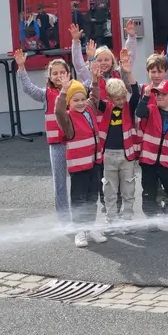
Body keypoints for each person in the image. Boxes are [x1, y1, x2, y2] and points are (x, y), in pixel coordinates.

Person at [17, 51, 74, 223]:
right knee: (60, 184)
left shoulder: (76, 90)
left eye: (62, 72)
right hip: (57, 146)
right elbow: (28, 88)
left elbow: (90, 82)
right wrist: (21, 67)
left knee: (80, 181)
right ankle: (64, 219)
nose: (58, 76)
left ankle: (81, 218)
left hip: (75, 144)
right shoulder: (45, 94)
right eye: (54, 73)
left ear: (68, 74)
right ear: (49, 76)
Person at [55, 80, 108, 247]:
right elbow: (58, 110)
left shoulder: (90, 110)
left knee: (92, 197)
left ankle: (90, 226)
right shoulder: (67, 119)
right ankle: (79, 231)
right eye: (75, 100)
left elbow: (95, 97)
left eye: (82, 99)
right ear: (69, 103)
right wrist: (63, 92)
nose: (80, 103)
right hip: (78, 168)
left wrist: (94, 80)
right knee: (79, 198)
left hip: (95, 164)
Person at [134, 79, 168, 226]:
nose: (158, 97)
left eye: (163, 94)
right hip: (148, 162)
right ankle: (151, 219)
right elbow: (139, 112)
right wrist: (145, 96)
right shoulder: (150, 109)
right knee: (149, 192)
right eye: (157, 94)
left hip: (167, 163)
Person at [97, 76, 141, 231]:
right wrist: (95, 80)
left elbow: (136, 94)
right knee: (109, 189)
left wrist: (129, 73)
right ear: (109, 98)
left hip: (127, 154)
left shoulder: (129, 107)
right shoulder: (105, 107)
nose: (122, 102)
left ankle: (127, 219)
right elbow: (95, 97)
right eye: (117, 99)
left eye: (123, 98)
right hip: (108, 155)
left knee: (128, 189)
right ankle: (111, 219)